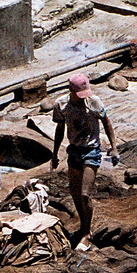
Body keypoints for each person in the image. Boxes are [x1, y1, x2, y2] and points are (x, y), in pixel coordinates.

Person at [50, 72, 118, 252]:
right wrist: (55, 153)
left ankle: (87, 234)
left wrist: (114, 147)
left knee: (85, 194)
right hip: (74, 150)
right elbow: (59, 128)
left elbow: (106, 122)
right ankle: (83, 226)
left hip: (91, 150)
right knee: (74, 193)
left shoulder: (94, 102)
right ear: (70, 91)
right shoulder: (61, 105)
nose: (83, 99)